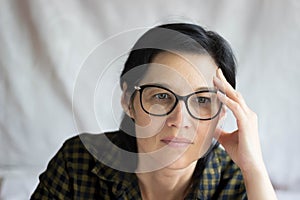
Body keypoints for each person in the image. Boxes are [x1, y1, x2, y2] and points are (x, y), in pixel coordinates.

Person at [31, 23, 277, 200]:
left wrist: (254, 169)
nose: (180, 120)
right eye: (161, 96)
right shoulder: (77, 163)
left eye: (202, 99)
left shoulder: (238, 182)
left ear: (222, 112)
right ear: (128, 100)